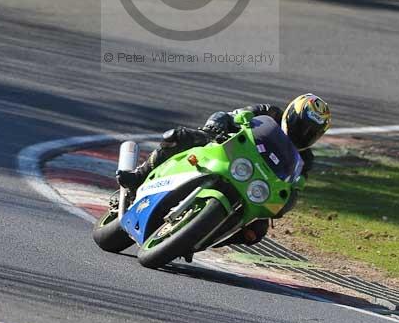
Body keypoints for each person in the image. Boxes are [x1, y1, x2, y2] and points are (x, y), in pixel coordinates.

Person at [117, 93, 332, 247]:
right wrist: (218, 125)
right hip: (226, 152)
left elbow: (295, 186)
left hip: (253, 184)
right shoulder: (270, 112)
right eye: (301, 125)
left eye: (311, 132)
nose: (304, 133)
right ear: (290, 114)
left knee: (255, 232)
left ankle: (203, 236)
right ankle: (138, 176)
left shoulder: (305, 158)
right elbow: (232, 115)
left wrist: (286, 201)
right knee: (177, 137)